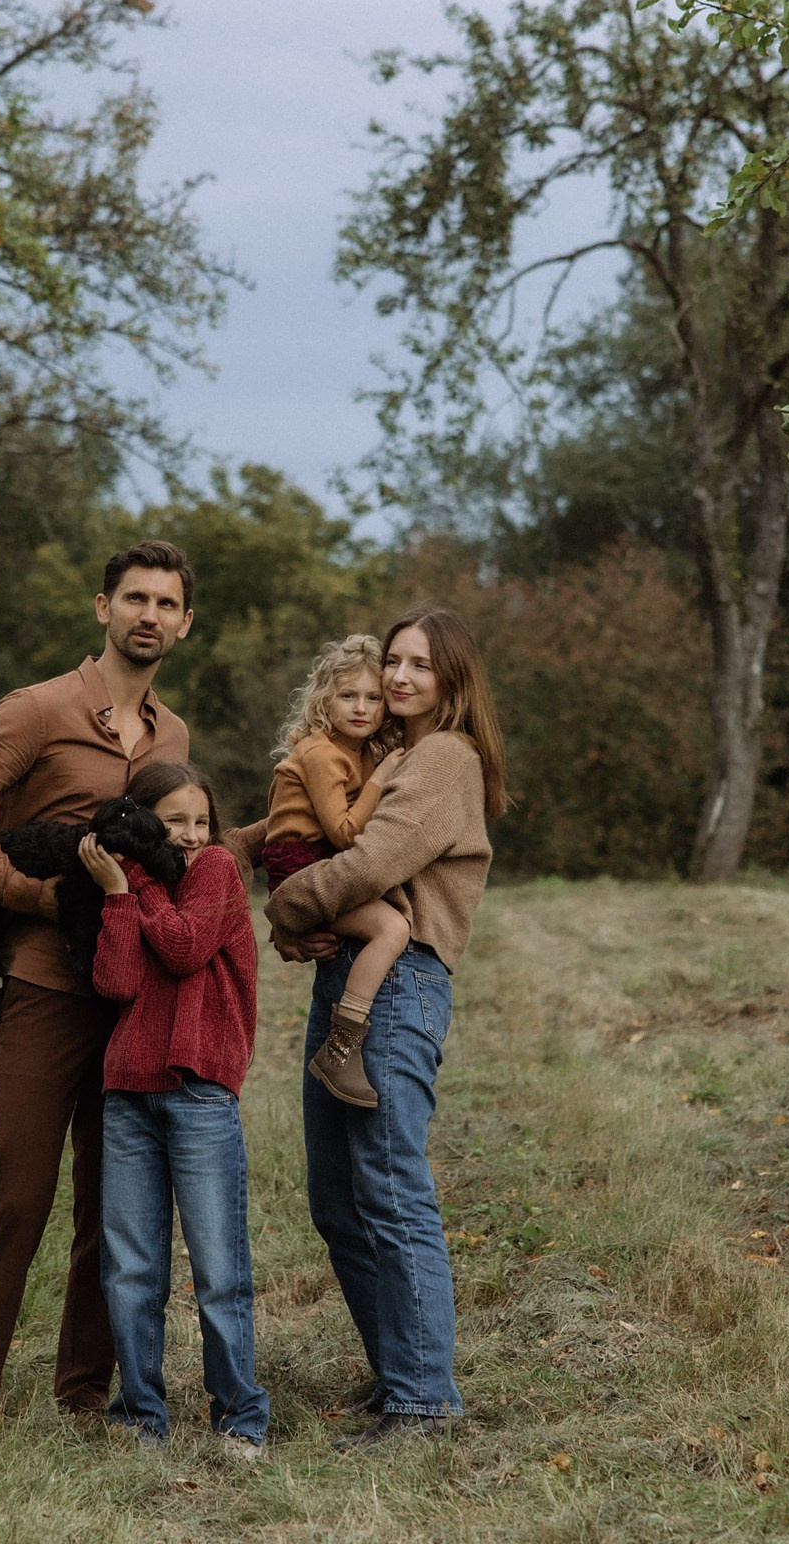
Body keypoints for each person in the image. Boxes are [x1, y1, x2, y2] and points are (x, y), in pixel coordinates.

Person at [0, 540, 195, 1422]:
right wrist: (21, 893)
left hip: (134, 999)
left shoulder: (174, 736)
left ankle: (84, 1393)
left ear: (185, 624)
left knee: (115, 1204)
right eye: (135, 598)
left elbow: (181, 846)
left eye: (166, 604)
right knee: (18, 1188)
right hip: (45, 987)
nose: (149, 615)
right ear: (103, 608)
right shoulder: (38, 708)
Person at [264, 607, 507, 1451]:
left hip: (398, 987)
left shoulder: (445, 758)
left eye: (419, 666)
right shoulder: (389, 752)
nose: (399, 677)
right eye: (394, 660)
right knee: (338, 1199)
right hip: (350, 977)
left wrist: (286, 906)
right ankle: (401, 1372)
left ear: (452, 679)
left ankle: (423, 1401)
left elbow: (371, 863)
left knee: (391, 1189)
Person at [79, 760, 268, 1458]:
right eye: (173, 822)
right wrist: (117, 895)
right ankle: (139, 1416)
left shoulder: (217, 870)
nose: (190, 835)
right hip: (129, 1093)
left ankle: (240, 1417)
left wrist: (138, 886)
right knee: (130, 1270)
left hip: (199, 1091)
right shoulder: (130, 885)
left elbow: (186, 949)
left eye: (201, 821)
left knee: (218, 1269)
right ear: (143, 825)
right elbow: (116, 981)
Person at [261, 635, 407, 1109]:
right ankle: (342, 1046)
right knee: (392, 928)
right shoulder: (322, 753)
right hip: (302, 863)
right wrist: (382, 779)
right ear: (324, 699)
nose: (361, 708)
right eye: (348, 695)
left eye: (373, 698)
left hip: (321, 860)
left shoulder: (361, 749)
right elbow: (344, 832)